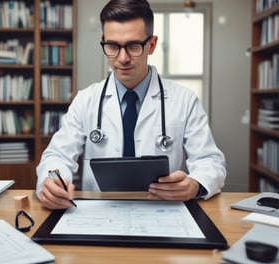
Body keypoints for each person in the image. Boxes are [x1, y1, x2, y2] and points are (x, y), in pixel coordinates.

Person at [36, 0, 226, 210]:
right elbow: (57, 155)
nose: (122, 58)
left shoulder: (185, 100)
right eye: (113, 46)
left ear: (151, 45)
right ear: (103, 42)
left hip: (166, 212)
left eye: (133, 46)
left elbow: (210, 160)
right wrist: (52, 180)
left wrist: (194, 184)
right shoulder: (86, 100)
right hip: (99, 214)